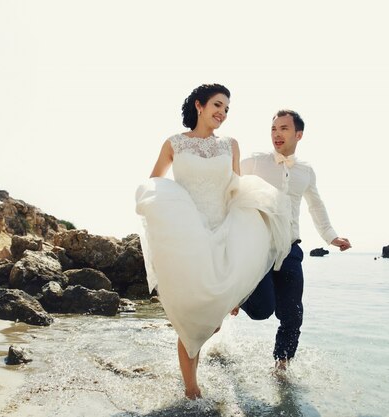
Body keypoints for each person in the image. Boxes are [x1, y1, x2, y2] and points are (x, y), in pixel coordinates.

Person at [135, 84, 291, 399]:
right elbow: (154, 181)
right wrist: (164, 213)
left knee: (212, 322)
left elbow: (235, 186)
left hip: (223, 232)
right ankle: (192, 389)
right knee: (190, 320)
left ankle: (197, 367)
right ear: (199, 106)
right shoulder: (174, 143)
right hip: (186, 235)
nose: (222, 113)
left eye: (227, 109)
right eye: (217, 105)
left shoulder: (230, 145)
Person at [239, 109, 351, 369]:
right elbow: (227, 180)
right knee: (262, 310)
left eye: (284, 129)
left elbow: (316, 205)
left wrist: (331, 237)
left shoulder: (306, 171)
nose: (277, 134)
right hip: (258, 248)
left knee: (293, 314)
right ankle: (237, 296)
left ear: (298, 134)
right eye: (274, 129)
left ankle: (282, 365)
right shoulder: (255, 162)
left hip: (290, 249)